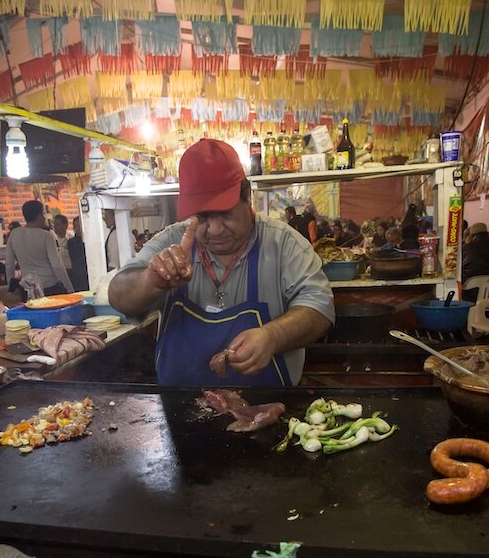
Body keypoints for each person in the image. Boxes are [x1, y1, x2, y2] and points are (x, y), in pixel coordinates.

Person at [109, 138, 334, 387]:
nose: (215, 230)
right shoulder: (172, 241)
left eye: (225, 213)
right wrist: (150, 280)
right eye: (203, 217)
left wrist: (273, 336)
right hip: (178, 410)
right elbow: (118, 295)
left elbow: (319, 309)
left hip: (269, 409)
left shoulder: (284, 245)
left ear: (247, 196)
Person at [6, 200, 74, 300]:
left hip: (28, 288)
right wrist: (69, 289)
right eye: (43, 214)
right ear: (39, 216)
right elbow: (56, 264)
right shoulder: (46, 235)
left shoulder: (14, 234)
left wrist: (11, 284)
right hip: (50, 287)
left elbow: (9, 263)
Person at [67, 216, 90, 291]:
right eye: (75, 226)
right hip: (77, 275)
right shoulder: (71, 242)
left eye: (79, 225)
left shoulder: (90, 240)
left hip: (89, 272)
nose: (77, 228)